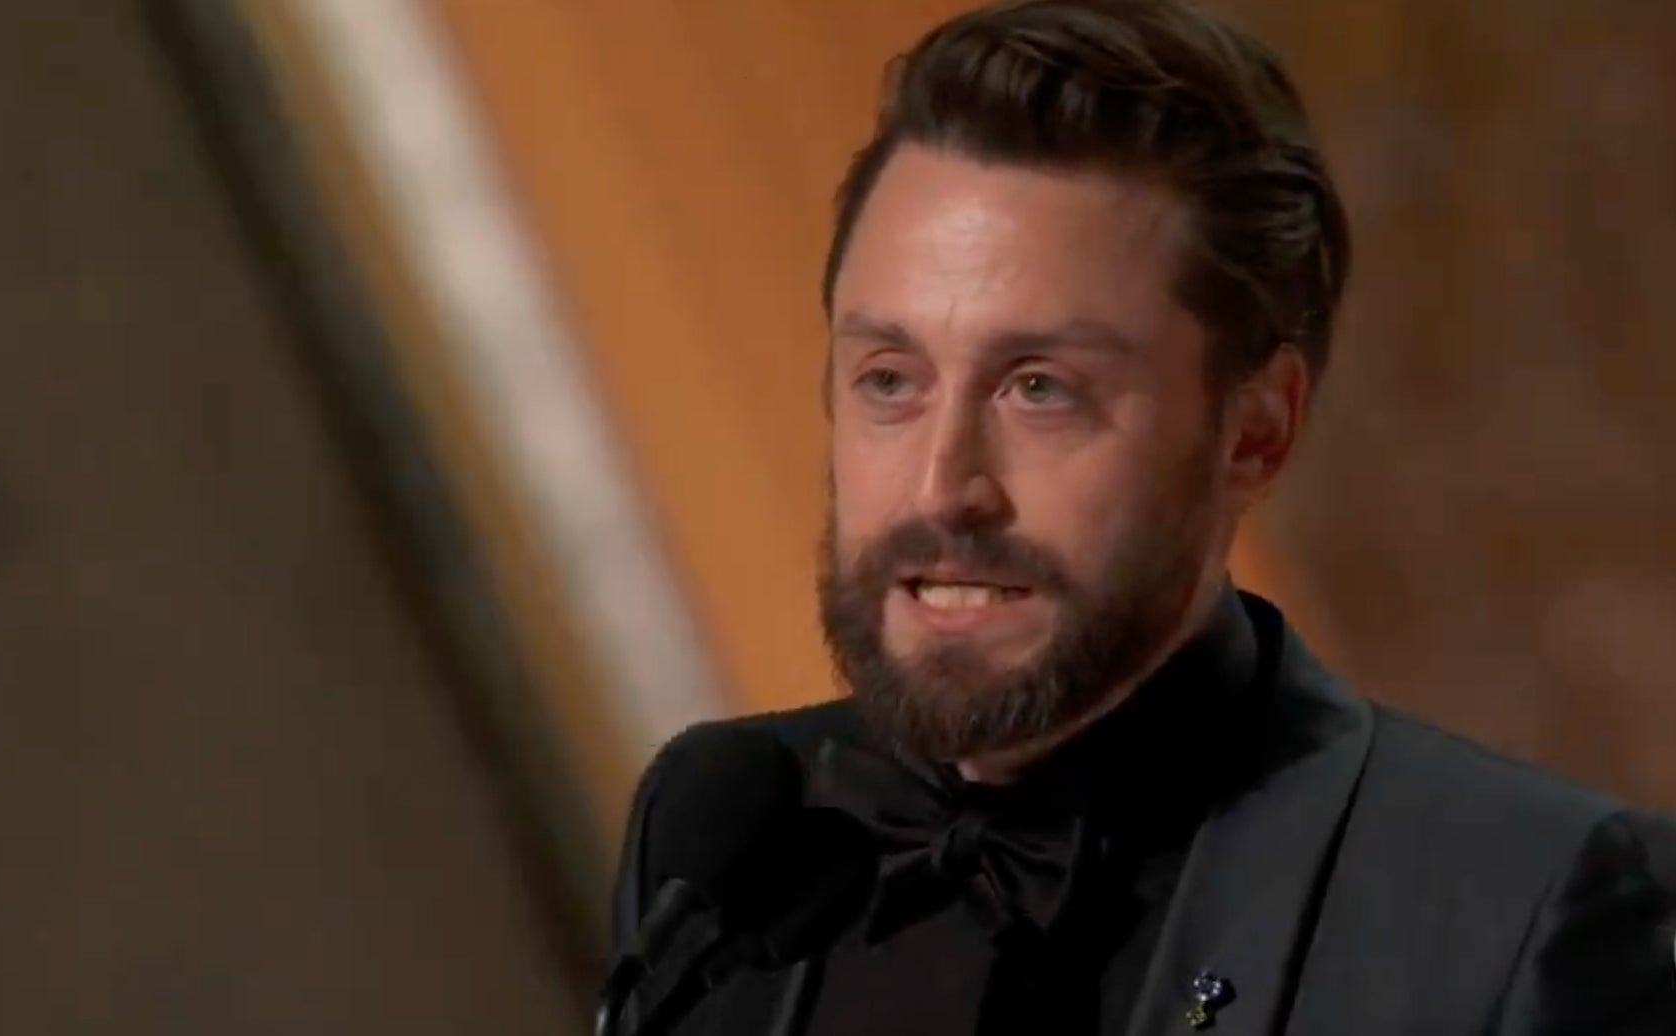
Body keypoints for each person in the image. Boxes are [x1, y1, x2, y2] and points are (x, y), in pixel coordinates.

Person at [608, 1, 1676, 1032]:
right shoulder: (724, 841)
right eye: (890, 378)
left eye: (1040, 389)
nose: (939, 487)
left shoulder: (1533, 911)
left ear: (1253, 432)